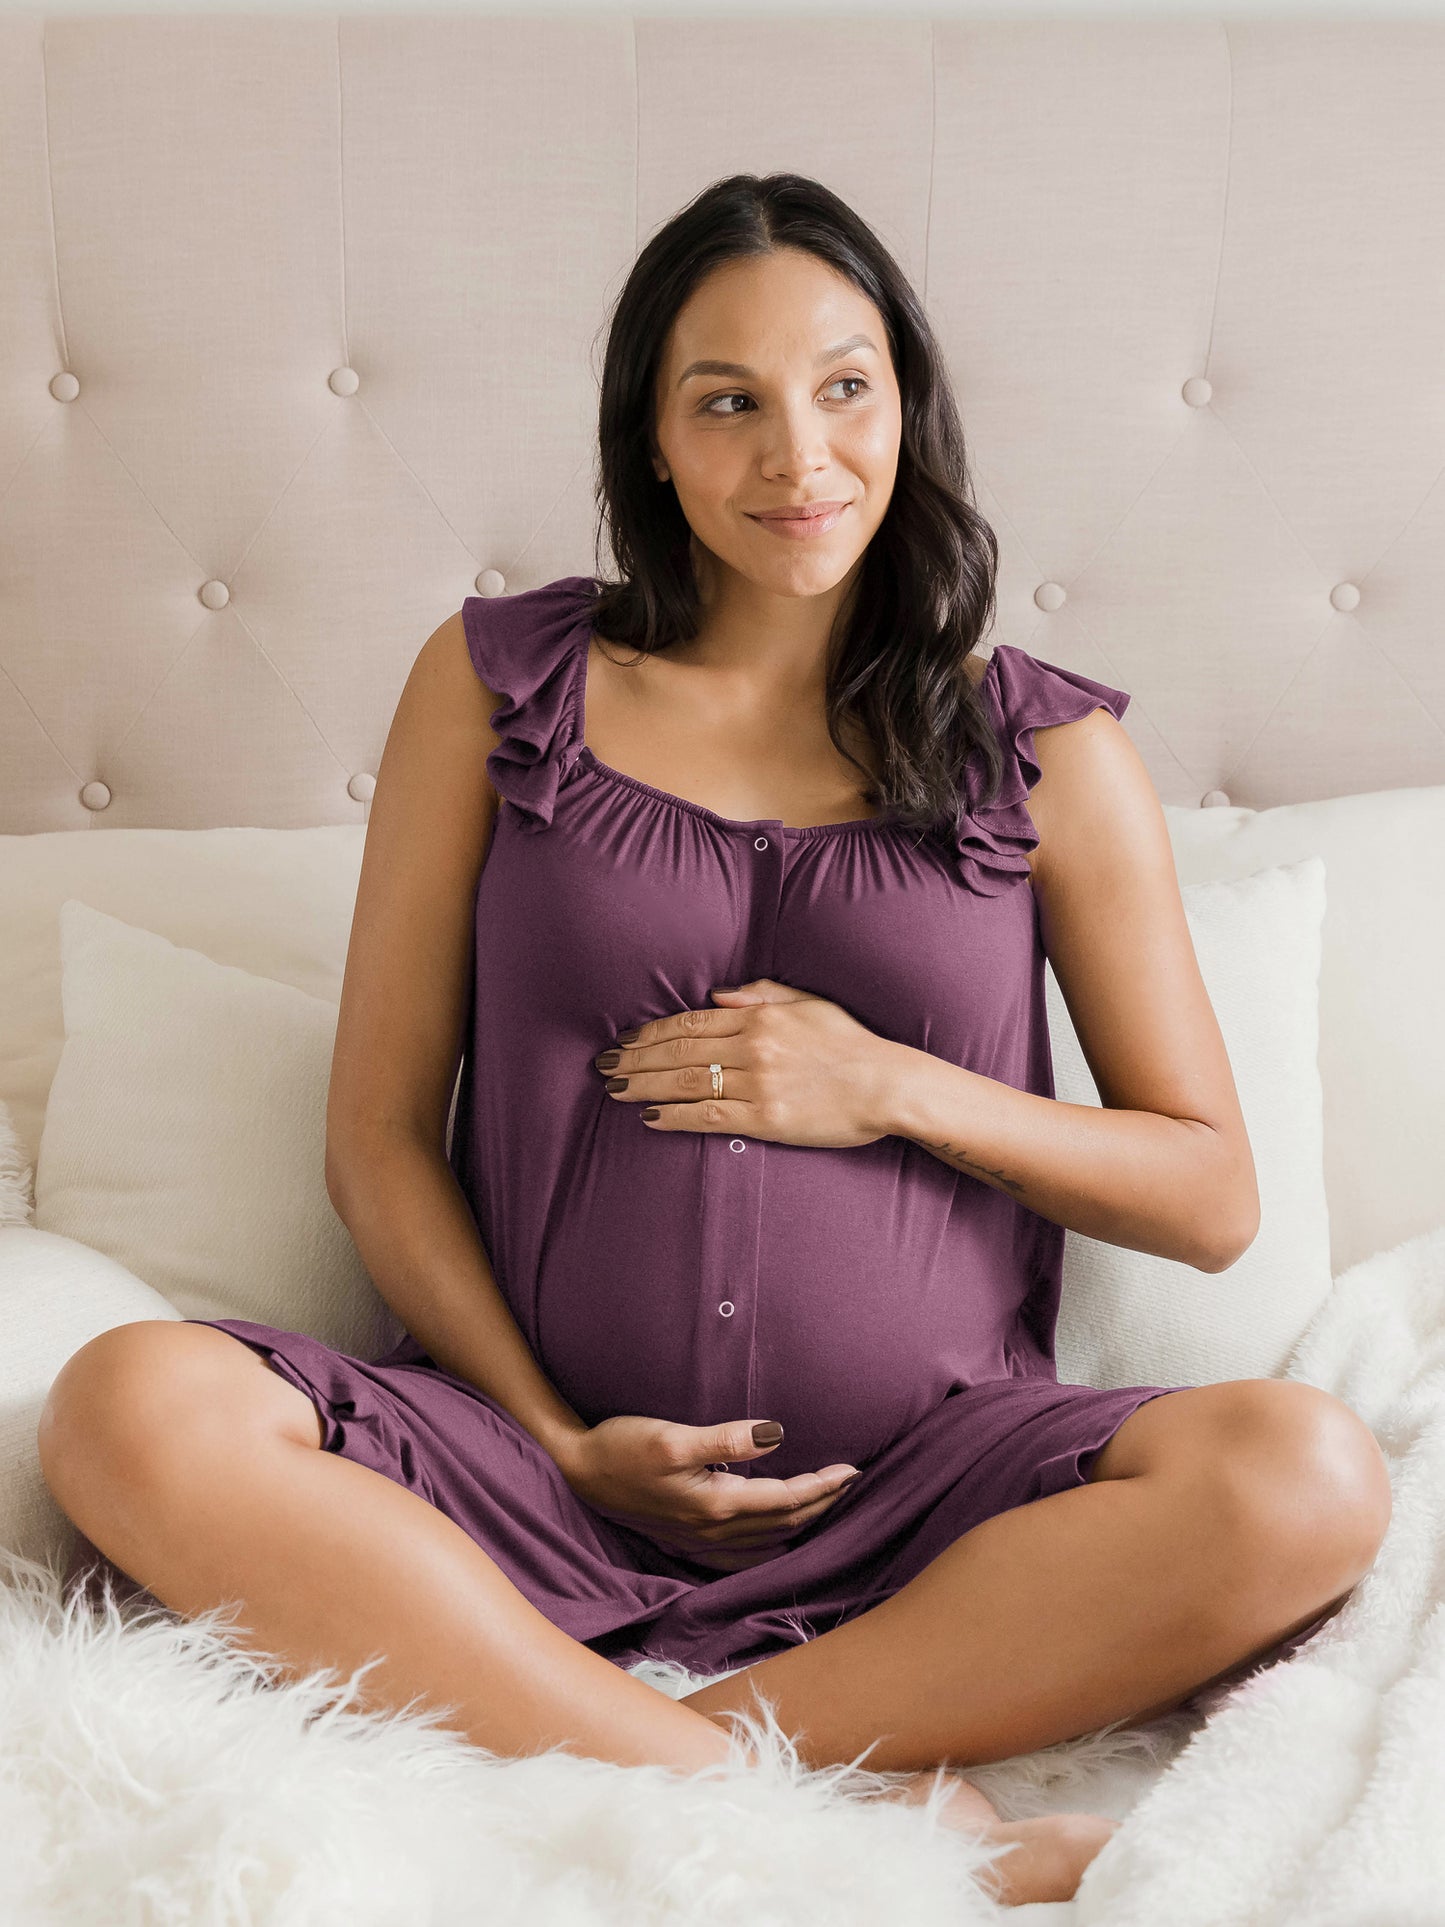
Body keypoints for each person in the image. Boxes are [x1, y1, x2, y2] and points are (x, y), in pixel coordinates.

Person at [38, 174, 1391, 1908]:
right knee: (126, 1405)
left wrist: (889, 1084)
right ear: (652, 442)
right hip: (515, 1472)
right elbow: (375, 1132)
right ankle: (812, 1796)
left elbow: (1207, 1195)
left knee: (1305, 1476)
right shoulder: (493, 688)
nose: (795, 455)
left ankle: (613, 1736)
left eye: (842, 387)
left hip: (925, 1509)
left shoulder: (1040, 756)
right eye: (726, 402)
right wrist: (546, 1433)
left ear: (908, 405)